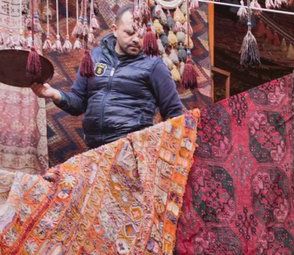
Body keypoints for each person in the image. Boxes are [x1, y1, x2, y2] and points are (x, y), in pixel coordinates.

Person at [31, 8, 184, 150]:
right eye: (130, 33)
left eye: (141, 34)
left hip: (133, 147)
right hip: (95, 149)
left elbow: (174, 112)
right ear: (114, 30)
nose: (136, 39)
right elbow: (78, 103)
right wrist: (55, 94)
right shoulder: (94, 57)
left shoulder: (154, 64)